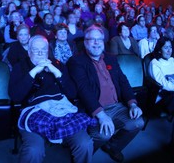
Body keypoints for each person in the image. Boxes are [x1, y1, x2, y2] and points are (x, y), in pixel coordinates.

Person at [9, 35, 95, 163]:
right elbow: (15, 96)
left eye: (43, 49)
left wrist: (57, 73)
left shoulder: (57, 65)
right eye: (35, 49)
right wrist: (33, 72)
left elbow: (72, 93)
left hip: (62, 110)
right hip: (34, 113)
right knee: (33, 150)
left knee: (85, 144)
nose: (40, 53)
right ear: (29, 51)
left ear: (48, 50)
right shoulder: (20, 67)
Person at [68, 25, 144, 162]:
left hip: (117, 105)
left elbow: (123, 81)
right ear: (85, 42)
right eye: (92, 39)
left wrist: (132, 103)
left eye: (100, 40)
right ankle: (89, 153)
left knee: (138, 122)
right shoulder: (76, 61)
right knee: (104, 134)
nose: (97, 43)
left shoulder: (111, 58)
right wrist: (101, 114)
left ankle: (113, 147)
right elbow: (83, 89)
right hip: (95, 108)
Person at [149, 37, 174, 151]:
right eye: (166, 47)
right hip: (162, 98)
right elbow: (165, 85)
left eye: (170, 47)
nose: (169, 50)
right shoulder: (155, 63)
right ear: (160, 49)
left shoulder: (173, 61)